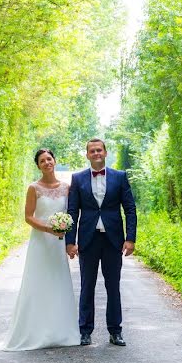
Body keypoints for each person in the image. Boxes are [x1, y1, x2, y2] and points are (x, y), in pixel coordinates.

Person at [0, 149, 81, 351]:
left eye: (49, 159)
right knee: (39, 282)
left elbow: (73, 213)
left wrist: (68, 236)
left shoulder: (67, 188)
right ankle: (35, 332)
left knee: (59, 282)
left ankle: (62, 332)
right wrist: (48, 228)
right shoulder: (34, 188)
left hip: (59, 243)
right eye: (42, 161)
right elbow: (29, 216)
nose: (47, 162)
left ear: (55, 161)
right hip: (41, 243)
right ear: (38, 165)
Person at [66, 139, 137, 346]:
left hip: (113, 240)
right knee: (87, 286)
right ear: (87, 155)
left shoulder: (120, 177)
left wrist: (130, 238)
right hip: (88, 240)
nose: (96, 153)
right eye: (92, 151)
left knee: (112, 286)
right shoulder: (78, 179)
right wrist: (70, 242)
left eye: (99, 150)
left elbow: (130, 209)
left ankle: (115, 331)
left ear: (105, 153)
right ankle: (84, 331)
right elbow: (72, 211)